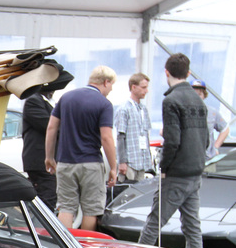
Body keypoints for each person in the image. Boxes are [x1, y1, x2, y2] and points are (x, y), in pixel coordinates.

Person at [138, 53, 208, 248]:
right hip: (195, 173)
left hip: (176, 174)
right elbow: (206, 139)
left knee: (154, 223)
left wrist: (164, 167)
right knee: (193, 228)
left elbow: (173, 140)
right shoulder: (199, 100)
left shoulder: (171, 101)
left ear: (166, 72)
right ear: (188, 73)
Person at [44, 65, 117, 231]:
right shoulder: (104, 104)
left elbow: (51, 128)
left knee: (66, 207)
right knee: (91, 210)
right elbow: (106, 137)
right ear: (106, 82)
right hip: (91, 163)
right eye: (111, 85)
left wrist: (49, 157)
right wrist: (113, 167)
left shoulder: (66, 98)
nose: (111, 89)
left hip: (65, 162)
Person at [21, 87, 57, 210]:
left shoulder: (41, 101)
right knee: (47, 197)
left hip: (41, 159)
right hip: (39, 159)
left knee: (46, 196)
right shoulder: (34, 101)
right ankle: (43, 227)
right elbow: (49, 126)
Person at [114, 73, 153, 181]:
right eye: (143, 87)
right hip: (130, 162)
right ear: (133, 87)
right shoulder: (124, 109)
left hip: (142, 161)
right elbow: (120, 136)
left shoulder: (143, 109)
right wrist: (122, 161)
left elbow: (146, 135)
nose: (146, 91)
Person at [192, 79, 228, 158]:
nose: (197, 98)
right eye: (193, 94)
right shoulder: (182, 112)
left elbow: (225, 129)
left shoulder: (212, 112)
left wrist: (215, 147)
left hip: (208, 158)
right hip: (189, 158)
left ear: (204, 96)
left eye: (199, 94)